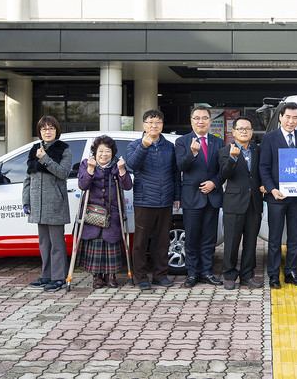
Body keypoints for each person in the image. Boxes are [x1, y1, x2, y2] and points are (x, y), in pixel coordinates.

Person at [259, 101, 297, 289]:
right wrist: (271, 189)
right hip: (276, 196)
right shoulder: (269, 138)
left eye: (295, 117)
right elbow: (264, 167)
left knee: (295, 237)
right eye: (288, 117)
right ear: (281, 117)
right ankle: (274, 274)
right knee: (275, 238)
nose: (291, 121)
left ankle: (291, 272)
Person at [126, 109, 181, 291]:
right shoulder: (134, 145)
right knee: (140, 242)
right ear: (144, 125)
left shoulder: (169, 146)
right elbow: (132, 165)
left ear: (162, 125)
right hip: (144, 201)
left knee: (162, 241)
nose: (154, 125)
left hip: (165, 201)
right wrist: (144, 146)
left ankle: (160, 275)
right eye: (150, 122)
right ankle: (141, 277)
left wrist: (177, 196)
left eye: (158, 122)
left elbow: (175, 173)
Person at [175, 106, 225, 288]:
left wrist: (214, 183)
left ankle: (207, 272)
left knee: (209, 238)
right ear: (191, 121)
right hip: (192, 197)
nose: (201, 121)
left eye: (205, 118)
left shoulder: (218, 142)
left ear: (210, 121)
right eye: (197, 118)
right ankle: (192, 273)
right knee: (192, 237)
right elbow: (181, 166)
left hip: (212, 195)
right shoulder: (182, 141)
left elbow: (224, 169)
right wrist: (193, 153)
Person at [23, 116, 72, 292]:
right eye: (44, 129)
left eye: (51, 128)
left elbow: (63, 173)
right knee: (44, 243)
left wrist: (45, 158)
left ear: (56, 130)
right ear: (39, 132)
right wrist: (26, 201)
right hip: (38, 203)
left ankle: (58, 277)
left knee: (57, 243)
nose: (47, 132)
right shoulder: (34, 149)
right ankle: (46, 275)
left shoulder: (63, 149)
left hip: (55, 203)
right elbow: (28, 178)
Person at [77, 135, 133, 289]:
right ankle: (97, 276)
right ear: (95, 152)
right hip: (92, 213)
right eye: (100, 151)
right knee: (95, 242)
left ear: (112, 152)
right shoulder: (86, 163)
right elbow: (83, 185)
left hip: (112, 213)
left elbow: (127, 186)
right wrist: (90, 169)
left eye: (107, 151)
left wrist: (122, 170)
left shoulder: (116, 166)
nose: (104, 154)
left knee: (111, 243)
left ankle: (111, 275)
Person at [218, 116, 265, 290]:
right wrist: (233, 158)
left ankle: (247, 275)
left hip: (254, 202)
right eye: (240, 129)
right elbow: (224, 174)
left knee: (251, 242)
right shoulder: (225, 151)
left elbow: (261, 171)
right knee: (231, 242)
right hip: (234, 203)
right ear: (233, 132)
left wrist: (264, 185)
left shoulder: (257, 150)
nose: (244, 132)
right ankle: (229, 275)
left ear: (252, 131)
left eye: (247, 129)